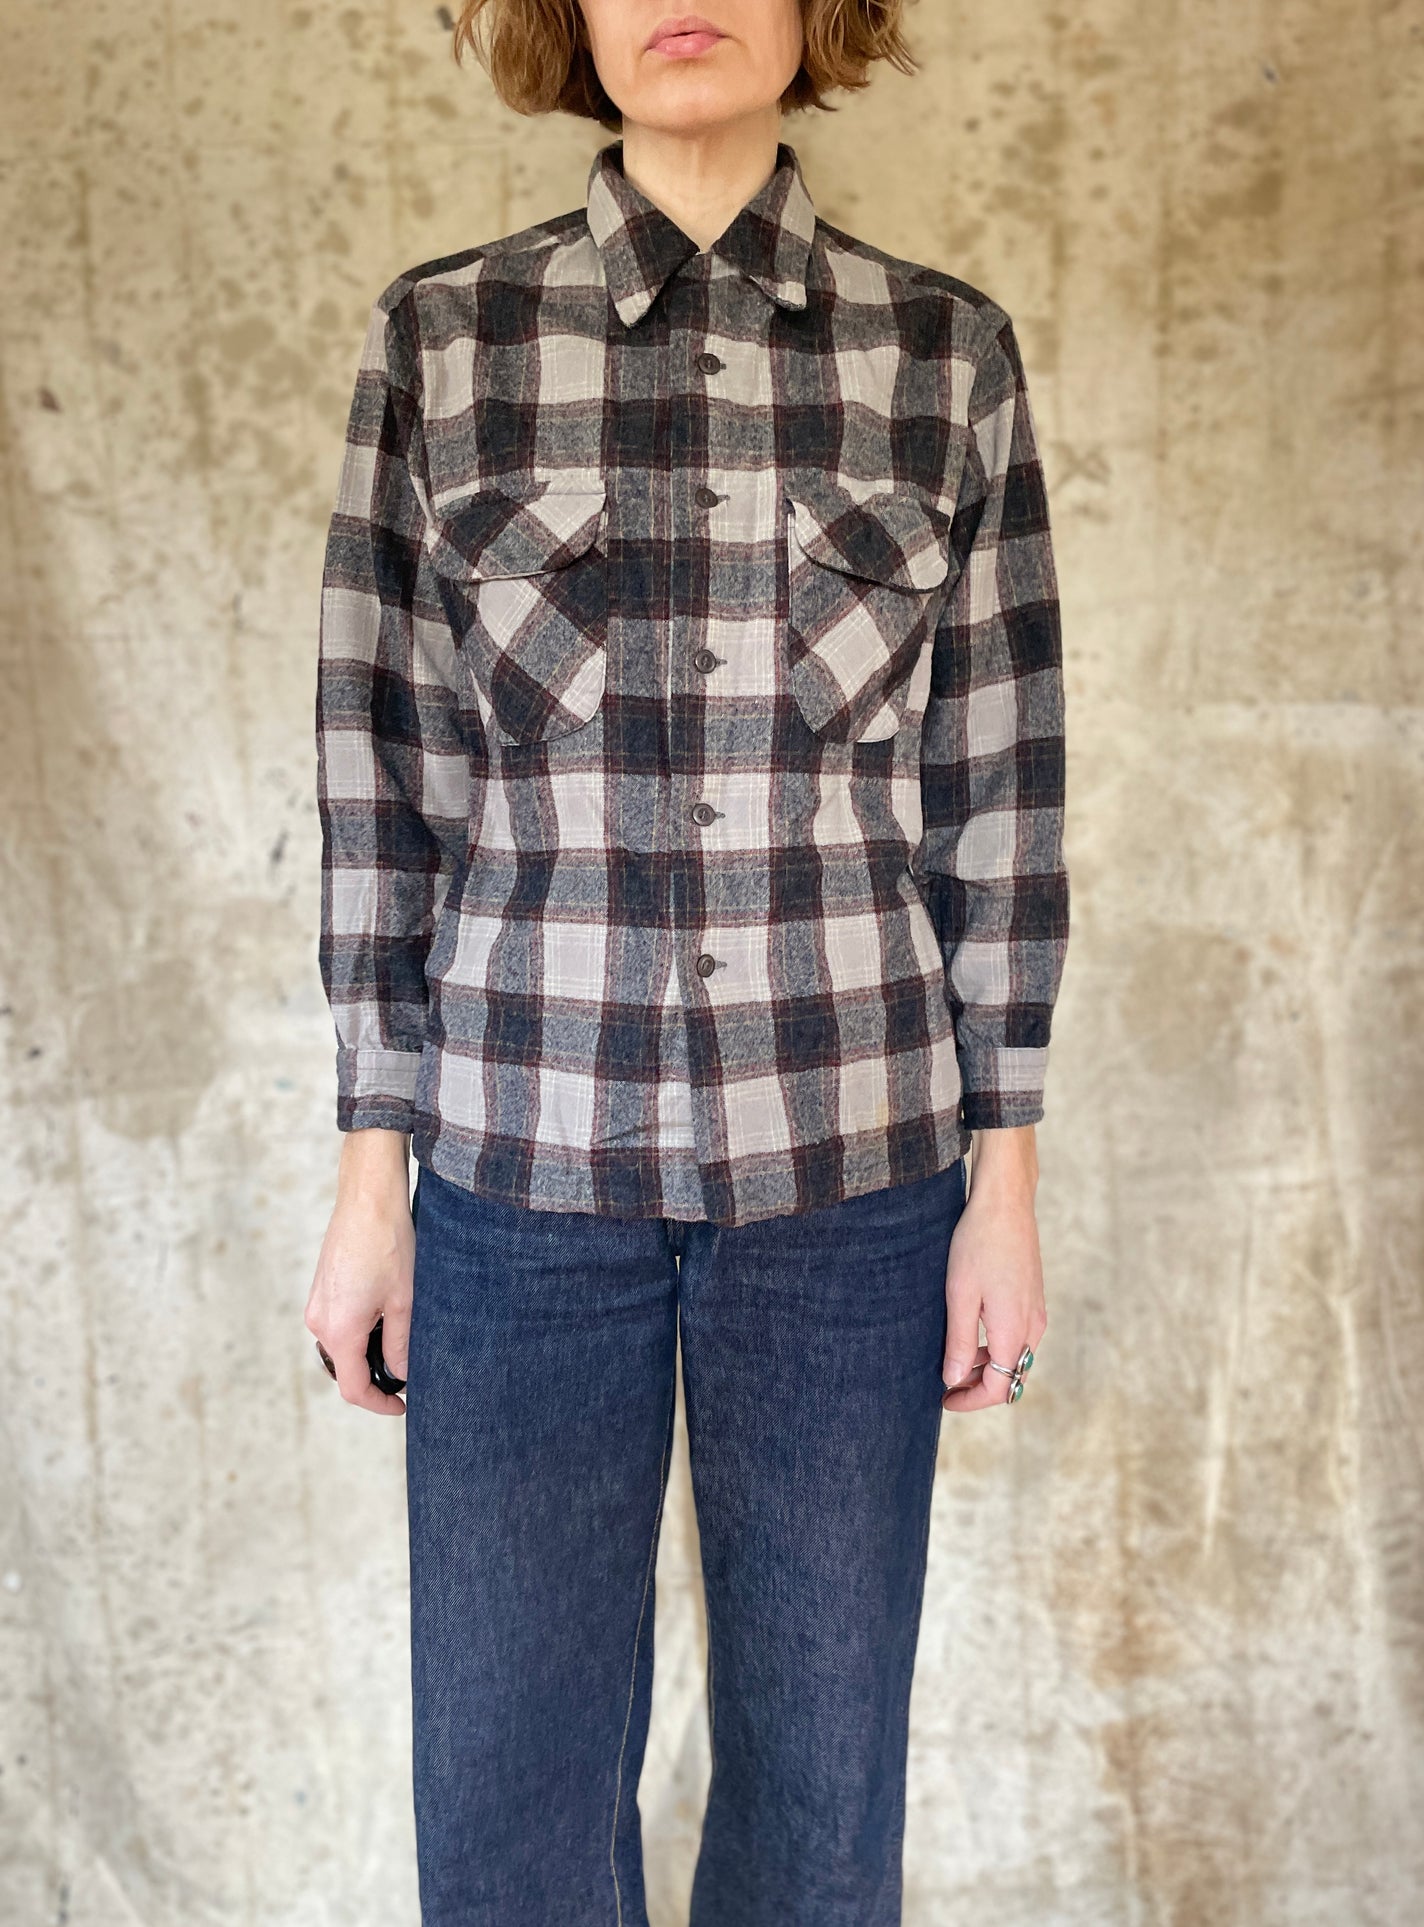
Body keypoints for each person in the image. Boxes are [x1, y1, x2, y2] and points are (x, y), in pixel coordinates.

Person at [304, 2, 1069, 1921]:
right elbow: (383, 786)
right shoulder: (443, 342)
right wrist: (371, 1186)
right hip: (517, 1177)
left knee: (823, 1789)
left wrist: (1003, 1190)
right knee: (509, 1791)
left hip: (853, 1182)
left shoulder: (943, 354)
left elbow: (999, 793)